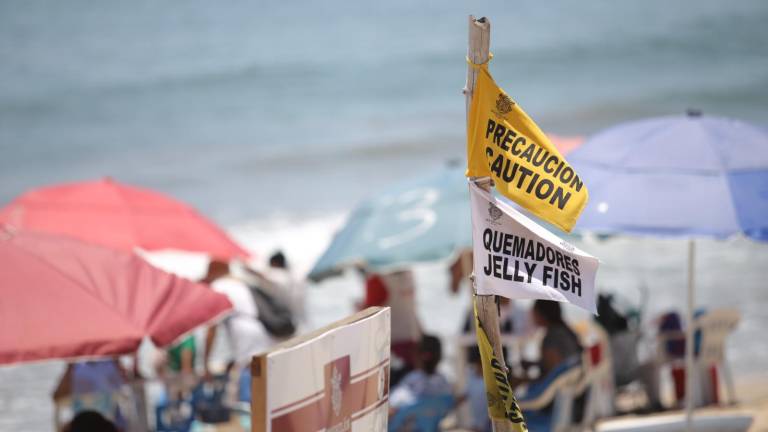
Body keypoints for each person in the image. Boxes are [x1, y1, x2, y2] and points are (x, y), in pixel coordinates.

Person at [202, 260, 274, 402]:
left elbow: (212, 329)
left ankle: (252, 414)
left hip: (244, 331)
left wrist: (205, 363)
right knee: (258, 375)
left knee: (250, 377)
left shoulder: (218, 286)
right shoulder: (240, 283)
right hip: (261, 329)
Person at [389, 334, 452, 408]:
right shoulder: (443, 381)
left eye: (415, 352)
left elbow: (393, 402)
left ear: (424, 356)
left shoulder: (413, 379)